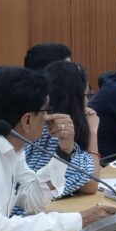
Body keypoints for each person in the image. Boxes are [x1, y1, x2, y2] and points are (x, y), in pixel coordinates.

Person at [0, 66, 116, 231]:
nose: (48, 117)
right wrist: (78, 220)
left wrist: (63, 153)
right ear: (28, 120)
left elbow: (32, 200)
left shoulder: (13, 146)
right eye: (46, 110)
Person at [19, 62, 100, 208]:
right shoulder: (53, 131)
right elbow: (90, 183)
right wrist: (93, 131)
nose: (87, 102)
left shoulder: (48, 124)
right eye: (86, 95)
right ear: (74, 99)